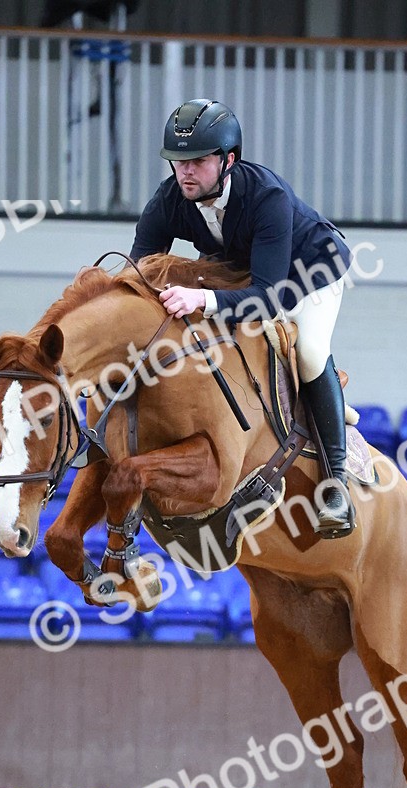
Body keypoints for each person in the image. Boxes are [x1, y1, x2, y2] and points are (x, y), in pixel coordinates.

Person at [130, 97, 355, 538]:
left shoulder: (266, 196)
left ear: (228, 159)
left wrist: (202, 299)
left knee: (308, 351)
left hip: (309, 273)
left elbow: (268, 301)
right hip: (248, 271)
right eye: (177, 162)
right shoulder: (171, 197)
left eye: (197, 161)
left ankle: (336, 483)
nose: (185, 173)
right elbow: (139, 269)